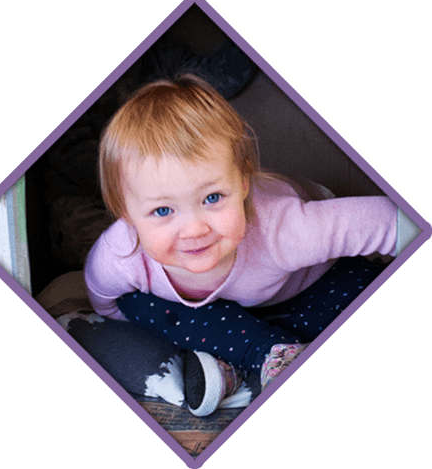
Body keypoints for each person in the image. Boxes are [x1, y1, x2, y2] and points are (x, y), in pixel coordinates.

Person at [84, 73, 404, 417]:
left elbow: (391, 219)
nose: (194, 229)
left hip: (302, 289)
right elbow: (105, 303)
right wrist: (186, 327)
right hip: (223, 318)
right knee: (137, 305)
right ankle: (261, 351)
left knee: (362, 282)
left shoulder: (284, 229)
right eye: (162, 210)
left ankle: (237, 355)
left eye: (212, 197)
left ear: (244, 182)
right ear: (126, 215)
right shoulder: (121, 254)